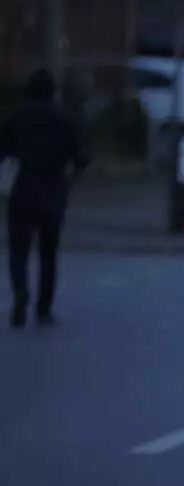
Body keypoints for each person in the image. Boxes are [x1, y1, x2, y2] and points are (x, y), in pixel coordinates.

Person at [1, 68, 89, 328]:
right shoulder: (66, 120)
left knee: (18, 250)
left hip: (23, 188)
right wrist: (71, 182)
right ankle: (44, 307)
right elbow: (82, 158)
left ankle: (20, 294)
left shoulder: (16, 118)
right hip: (53, 190)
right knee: (48, 253)